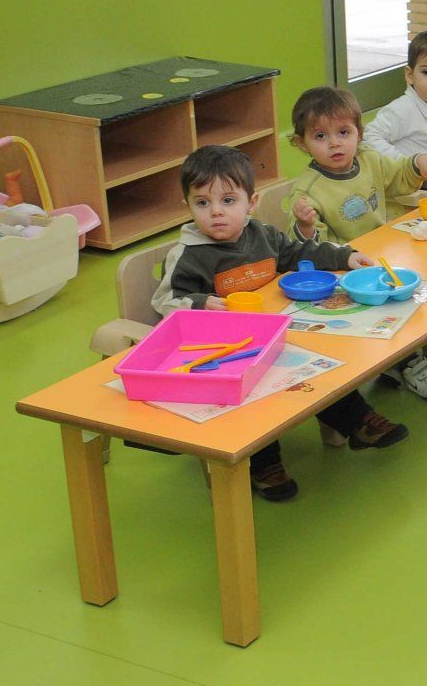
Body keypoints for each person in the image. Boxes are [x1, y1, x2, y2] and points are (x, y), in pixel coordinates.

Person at [153, 145, 407, 501]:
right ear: (188, 205)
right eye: (202, 203)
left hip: (275, 334)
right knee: (252, 396)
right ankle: (264, 463)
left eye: (228, 201)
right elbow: (164, 301)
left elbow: (300, 253)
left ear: (251, 202)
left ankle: (358, 422)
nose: (216, 213)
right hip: (227, 353)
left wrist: (344, 256)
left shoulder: (262, 235)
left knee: (320, 365)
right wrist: (198, 302)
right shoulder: (187, 254)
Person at [284, 86, 427, 400]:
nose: (335, 143)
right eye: (320, 137)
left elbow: (399, 176)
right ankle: (409, 360)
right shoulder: (308, 190)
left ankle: (401, 352)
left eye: (343, 132)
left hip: (383, 255)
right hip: (343, 270)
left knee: (426, 279)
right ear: (301, 143)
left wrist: (418, 161)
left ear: (359, 133)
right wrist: (305, 225)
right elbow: (305, 249)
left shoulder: (370, 159)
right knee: (398, 302)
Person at [364, 29, 427, 194]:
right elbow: (368, 137)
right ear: (410, 75)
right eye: (426, 72)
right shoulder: (403, 109)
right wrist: (411, 162)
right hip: (417, 191)